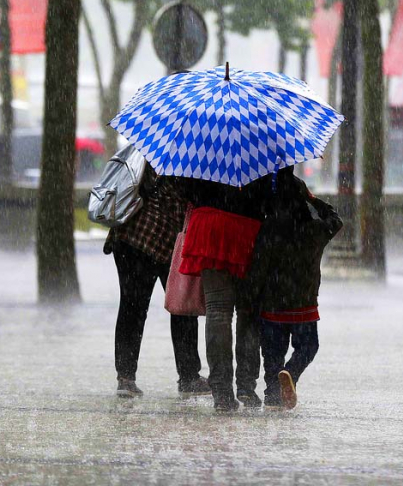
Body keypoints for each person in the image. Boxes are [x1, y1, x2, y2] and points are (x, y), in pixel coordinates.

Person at [104, 165, 209, 399]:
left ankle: (127, 377)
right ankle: (187, 376)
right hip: (153, 238)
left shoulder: (154, 147)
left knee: (134, 307)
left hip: (133, 235)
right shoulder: (189, 161)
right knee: (179, 307)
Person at [248, 166, 342, 410]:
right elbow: (336, 220)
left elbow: (258, 268)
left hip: (272, 304)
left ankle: (272, 396)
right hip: (304, 303)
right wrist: (313, 199)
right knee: (309, 346)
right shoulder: (315, 230)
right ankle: (291, 372)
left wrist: (253, 298)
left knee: (272, 354)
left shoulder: (268, 229)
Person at [174, 176, 270, 411]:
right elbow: (275, 192)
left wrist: (206, 197)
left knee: (218, 310)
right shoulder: (265, 143)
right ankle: (246, 386)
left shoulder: (201, 142)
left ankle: (222, 392)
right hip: (249, 228)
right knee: (248, 312)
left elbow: (184, 187)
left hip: (210, 224)